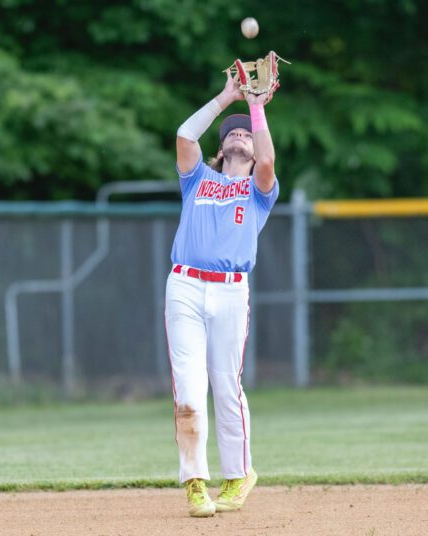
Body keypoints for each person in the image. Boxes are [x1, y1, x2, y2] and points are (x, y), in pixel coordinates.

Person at [165, 69, 279, 517]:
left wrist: (255, 107)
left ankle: (239, 474)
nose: (240, 136)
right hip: (185, 285)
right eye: (233, 133)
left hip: (231, 292)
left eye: (247, 135)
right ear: (221, 147)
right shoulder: (196, 180)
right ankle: (195, 482)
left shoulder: (258, 191)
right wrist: (226, 97)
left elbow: (268, 162)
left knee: (227, 386)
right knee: (189, 388)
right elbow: (183, 135)